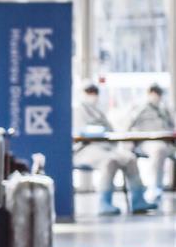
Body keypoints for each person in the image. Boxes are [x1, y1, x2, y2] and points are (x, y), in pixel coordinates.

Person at [74, 83, 156, 215]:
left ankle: (138, 200)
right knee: (110, 161)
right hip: (85, 149)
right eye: (89, 92)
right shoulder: (77, 110)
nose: (93, 96)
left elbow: (110, 130)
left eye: (95, 93)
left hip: (106, 147)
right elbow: (80, 131)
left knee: (130, 158)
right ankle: (104, 202)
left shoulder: (98, 111)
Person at [128, 83, 175, 203]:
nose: (156, 97)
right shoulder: (140, 108)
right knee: (158, 150)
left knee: (162, 149)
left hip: (167, 142)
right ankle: (155, 187)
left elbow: (172, 125)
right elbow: (129, 125)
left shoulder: (164, 109)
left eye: (158, 94)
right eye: (153, 93)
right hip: (147, 143)